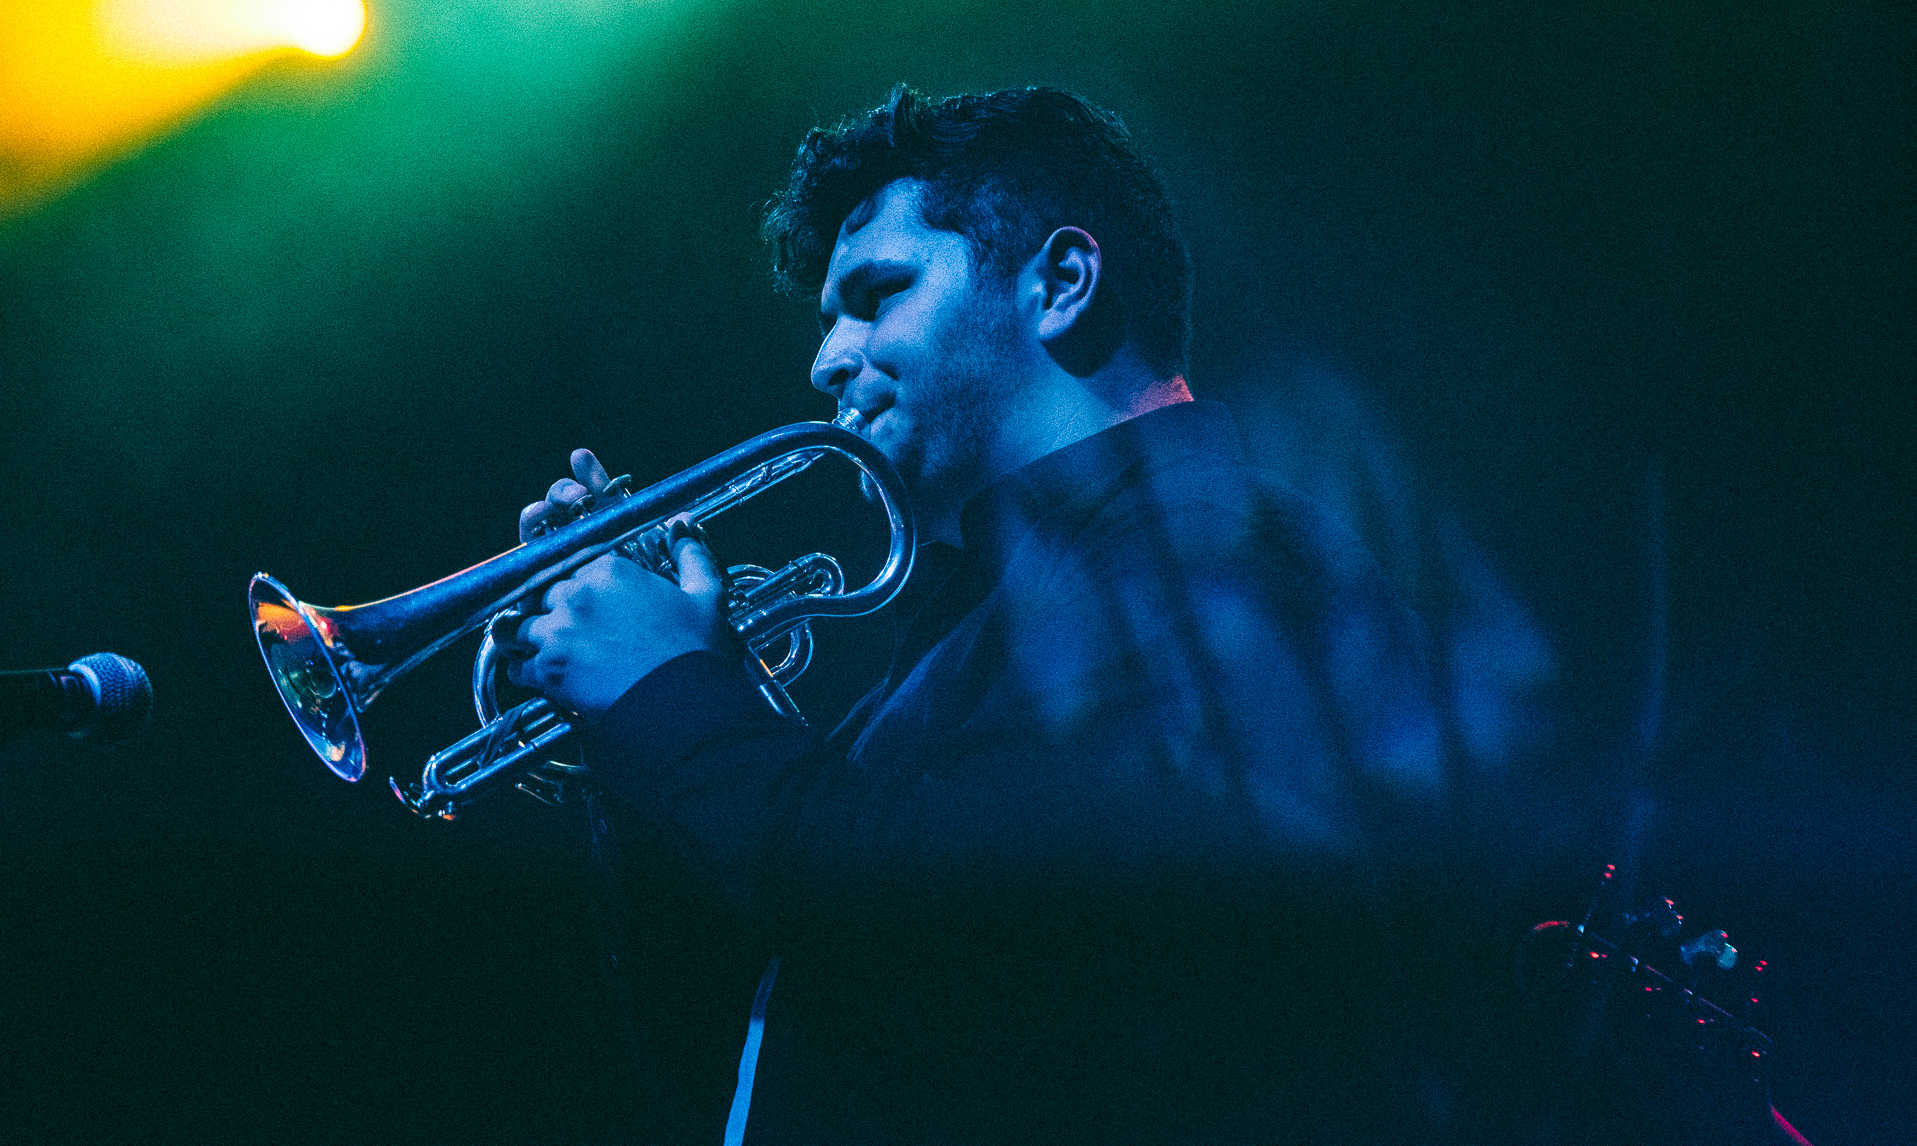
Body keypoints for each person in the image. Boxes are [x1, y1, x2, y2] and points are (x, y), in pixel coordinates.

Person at [507, 87, 1469, 1144]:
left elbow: (985, 924)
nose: (825, 359)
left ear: (1059, 283)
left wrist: (677, 696)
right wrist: (629, 734)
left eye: (876, 295)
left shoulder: (1221, 543)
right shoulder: (984, 615)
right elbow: (760, 1003)